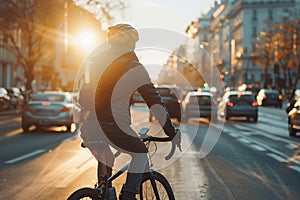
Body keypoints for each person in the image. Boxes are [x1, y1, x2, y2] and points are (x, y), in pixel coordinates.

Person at [78, 23, 180, 200]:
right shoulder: (133, 67)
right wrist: (171, 132)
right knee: (140, 153)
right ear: (130, 43)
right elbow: (155, 102)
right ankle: (128, 195)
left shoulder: (95, 62)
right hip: (112, 126)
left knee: (106, 160)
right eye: (133, 42)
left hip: (88, 126)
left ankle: (102, 193)